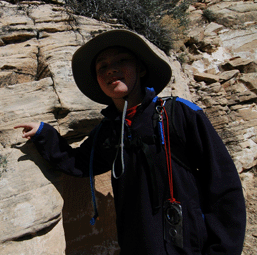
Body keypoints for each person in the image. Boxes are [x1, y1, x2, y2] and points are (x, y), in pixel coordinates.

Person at [14, 29, 246, 254]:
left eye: (121, 60)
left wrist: (222, 249)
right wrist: (44, 133)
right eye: (102, 66)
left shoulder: (178, 114)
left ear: (141, 68)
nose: (111, 70)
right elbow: (79, 163)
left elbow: (223, 185)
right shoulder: (108, 131)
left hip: (188, 246)